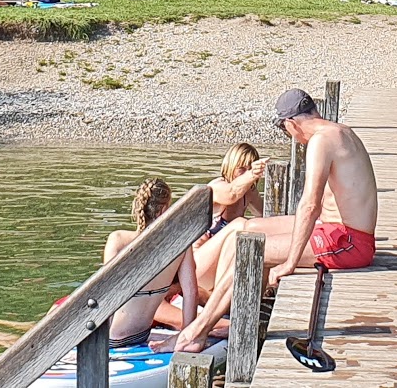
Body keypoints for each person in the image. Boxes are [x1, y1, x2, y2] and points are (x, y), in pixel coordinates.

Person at [168, 90, 377, 354]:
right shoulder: (339, 131)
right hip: (337, 230)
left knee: (255, 250)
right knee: (246, 230)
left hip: (348, 243)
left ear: (291, 123)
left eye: (285, 130)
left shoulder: (321, 142)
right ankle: (226, 311)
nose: (291, 137)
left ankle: (196, 334)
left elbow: (310, 204)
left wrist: (290, 261)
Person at [101, 179, 198, 352]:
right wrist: (185, 335)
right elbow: (191, 292)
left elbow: (105, 296)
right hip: (141, 335)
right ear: (164, 210)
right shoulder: (182, 244)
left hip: (112, 338)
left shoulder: (119, 240)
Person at [207, 145, 265, 236]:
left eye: (250, 169)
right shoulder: (217, 186)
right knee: (241, 224)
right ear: (231, 166)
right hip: (208, 244)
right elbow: (231, 195)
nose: (246, 173)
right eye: (242, 169)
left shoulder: (249, 191)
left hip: (232, 241)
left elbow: (264, 213)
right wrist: (252, 174)